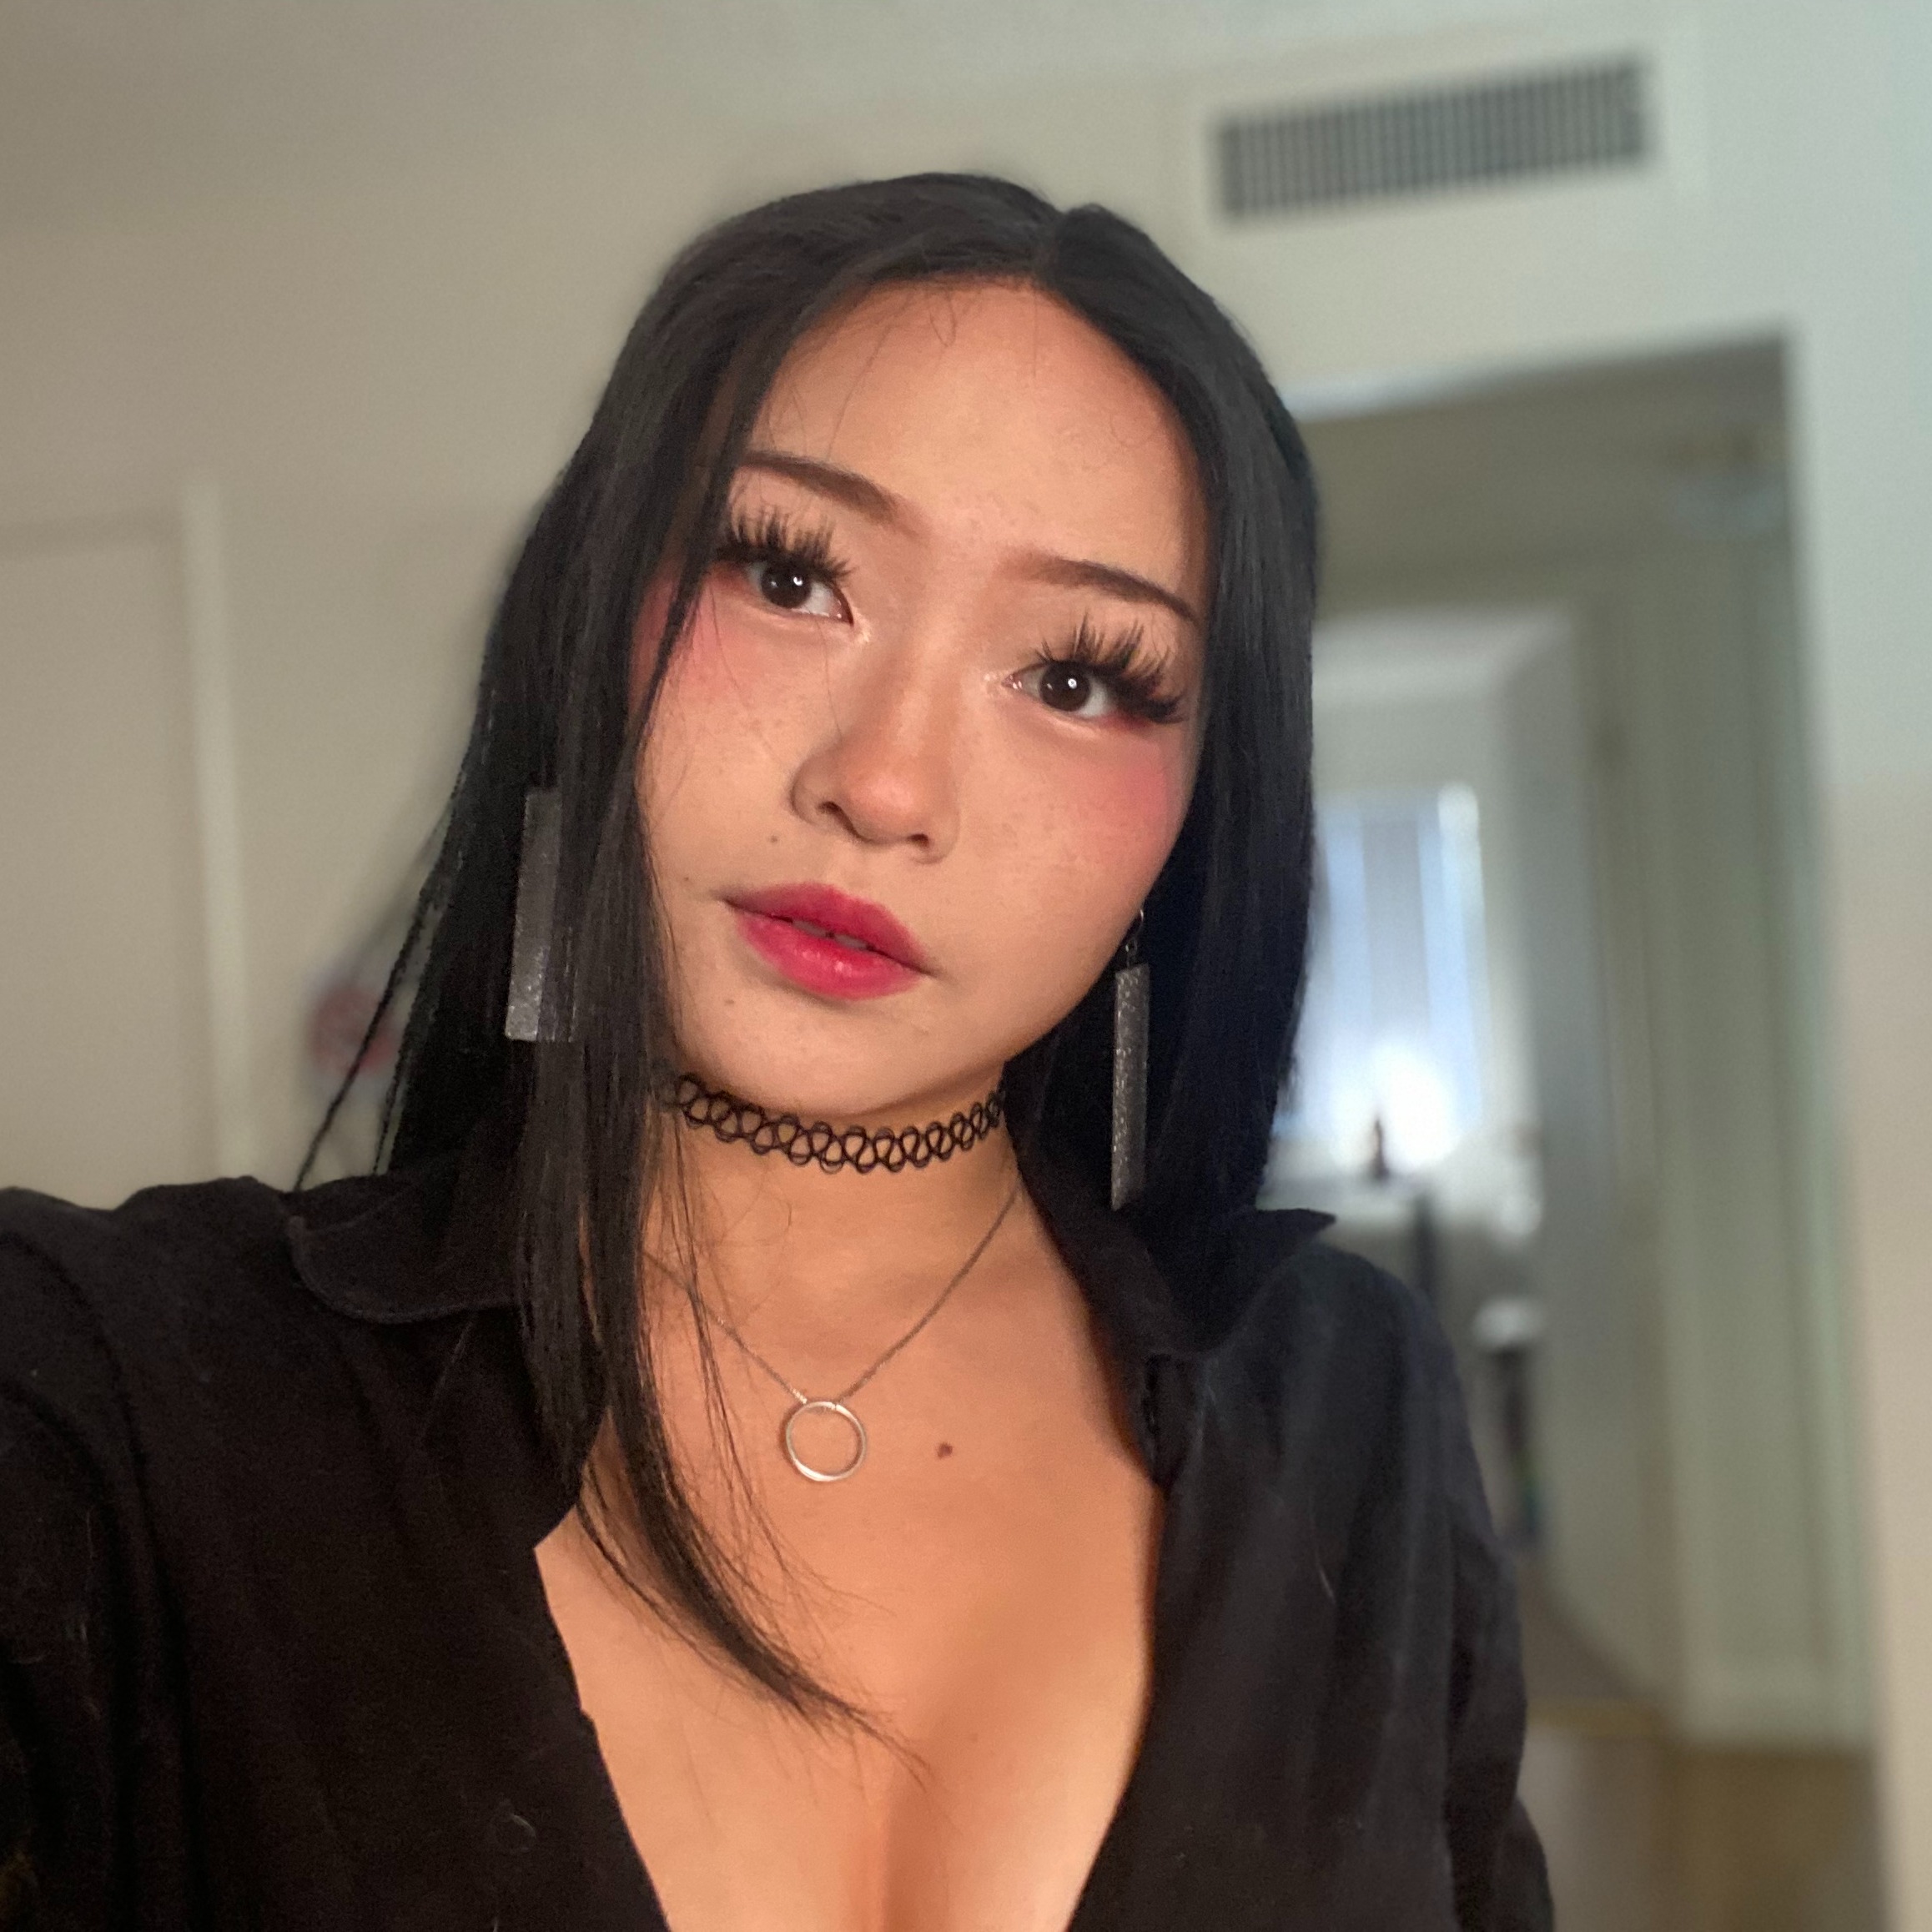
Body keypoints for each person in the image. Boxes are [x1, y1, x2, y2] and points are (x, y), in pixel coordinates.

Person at [0, 174, 1550, 1930]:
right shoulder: (116, 1393)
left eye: (1078, 677)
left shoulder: (1350, 1403)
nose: (883, 785)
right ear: (591, 621)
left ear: (1194, 824)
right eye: (792, 574)